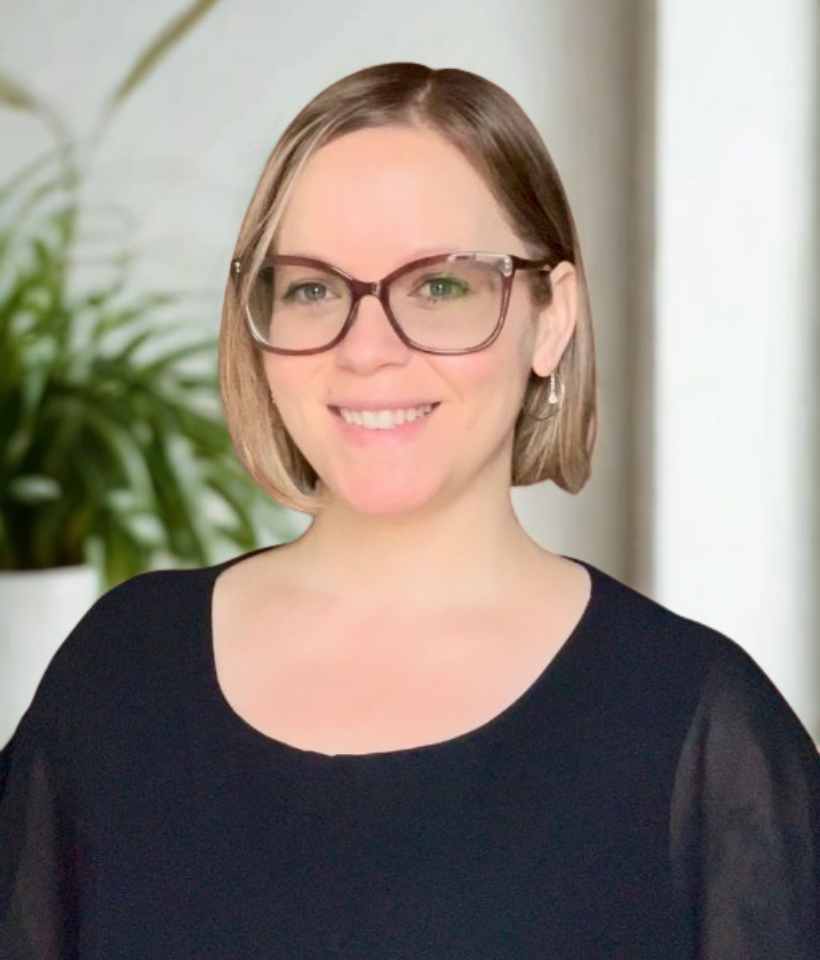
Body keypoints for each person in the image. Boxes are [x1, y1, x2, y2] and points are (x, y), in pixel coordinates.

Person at [1, 62, 818, 959]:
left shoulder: (696, 724)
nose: (366, 350)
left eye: (440, 286)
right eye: (313, 288)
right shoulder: (120, 676)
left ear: (550, 319)